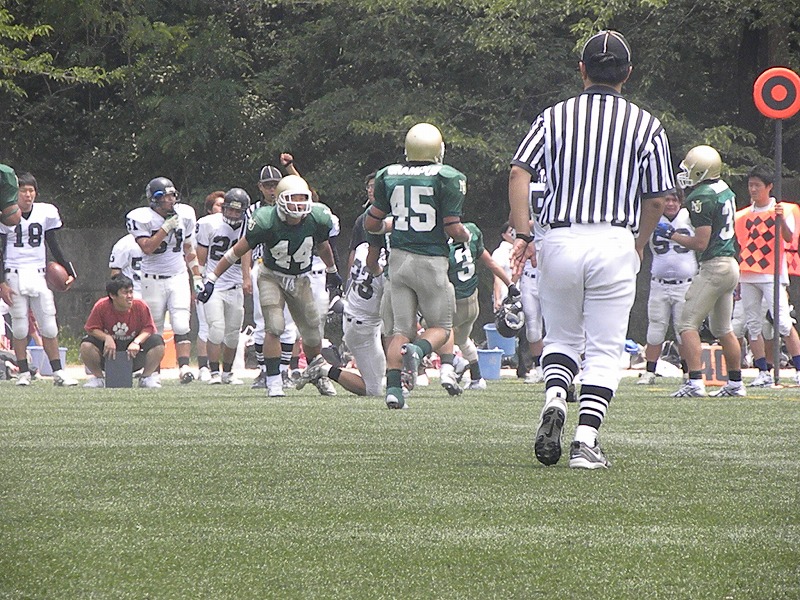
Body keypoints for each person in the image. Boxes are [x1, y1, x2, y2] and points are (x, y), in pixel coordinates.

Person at [508, 30, 674, 469]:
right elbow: (657, 199)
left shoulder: (554, 116)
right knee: (604, 349)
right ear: (628, 73)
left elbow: (519, 172)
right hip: (614, 239)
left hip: (560, 238)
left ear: (582, 70)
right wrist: (638, 244)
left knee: (561, 338)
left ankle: (555, 397)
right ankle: (585, 441)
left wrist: (524, 234)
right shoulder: (646, 124)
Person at [198, 174, 341, 398]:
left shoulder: (318, 217)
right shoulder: (266, 220)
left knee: (313, 331)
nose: (298, 204)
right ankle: (273, 379)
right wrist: (212, 278)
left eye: (302, 198)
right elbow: (237, 251)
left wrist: (332, 271)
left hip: (300, 277)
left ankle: (317, 374)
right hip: (271, 276)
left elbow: (323, 246)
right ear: (280, 200)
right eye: (293, 199)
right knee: (274, 326)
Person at [365, 122, 470, 409]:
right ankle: (418, 351)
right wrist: (465, 236)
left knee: (400, 330)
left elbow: (371, 224)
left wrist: (389, 226)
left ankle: (394, 390)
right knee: (442, 327)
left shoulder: (389, 174)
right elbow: (452, 228)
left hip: (398, 261)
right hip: (430, 261)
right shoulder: (447, 176)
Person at [665, 145, 743, 398]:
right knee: (723, 329)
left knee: (686, 324)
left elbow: (700, 243)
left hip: (714, 266)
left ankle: (695, 382)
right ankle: (735, 384)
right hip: (730, 265)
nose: (686, 173)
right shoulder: (724, 190)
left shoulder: (701, 196)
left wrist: (672, 235)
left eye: (690, 168)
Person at [0, 172, 79, 386]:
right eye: (23, 191)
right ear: (14, 193)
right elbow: (0, 251)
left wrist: (69, 269)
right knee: (19, 326)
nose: (28, 195)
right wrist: (2, 283)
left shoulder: (46, 212)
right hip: (14, 273)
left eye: (31, 190)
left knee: (49, 324)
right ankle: (24, 372)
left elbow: (53, 243)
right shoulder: (5, 216)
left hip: (38, 273)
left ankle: (58, 372)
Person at [126, 176, 200, 384]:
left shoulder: (185, 214)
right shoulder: (142, 218)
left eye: (172, 196)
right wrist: (165, 228)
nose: (170, 200)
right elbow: (148, 248)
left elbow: (188, 248)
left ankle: (184, 367)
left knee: (181, 322)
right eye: (165, 197)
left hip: (178, 275)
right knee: (155, 326)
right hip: (152, 278)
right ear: (154, 199)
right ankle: (153, 372)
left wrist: (197, 275)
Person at [295, 236, 388, 396]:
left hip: (358, 317)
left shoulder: (362, 249)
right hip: (363, 327)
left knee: (379, 380)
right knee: (373, 390)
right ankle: (323, 368)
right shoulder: (385, 270)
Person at [734, 166, 800, 386]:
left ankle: (798, 367)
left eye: (757, 185)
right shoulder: (742, 216)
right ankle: (763, 371)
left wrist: (780, 220)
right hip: (748, 273)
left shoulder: (781, 210)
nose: (753, 189)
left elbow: (789, 238)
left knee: (783, 322)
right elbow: (742, 244)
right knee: (753, 324)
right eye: (750, 185)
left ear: (769, 187)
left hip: (772, 273)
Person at [441, 222, 514, 393]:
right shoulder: (472, 231)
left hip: (454, 302)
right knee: (461, 339)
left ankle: (454, 362)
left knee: (430, 330)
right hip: (472, 302)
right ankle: (477, 377)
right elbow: (491, 263)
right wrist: (510, 285)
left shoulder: (439, 241)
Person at [637, 190, 697, 384]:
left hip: (685, 284)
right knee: (655, 329)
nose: (670, 204)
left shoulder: (690, 217)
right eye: (667, 200)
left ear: (681, 201)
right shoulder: (652, 217)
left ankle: (688, 371)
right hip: (659, 283)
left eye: (674, 200)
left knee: (684, 330)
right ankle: (650, 372)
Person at [195, 188, 250, 385]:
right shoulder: (208, 223)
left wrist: (246, 277)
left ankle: (227, 372)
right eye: (230, 210)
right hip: (214, 284)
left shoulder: (248, 225)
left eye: (237, 211)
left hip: (234, 285)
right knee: (216, 329)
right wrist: (199, 280)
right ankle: (214, 372)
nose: (233, 214)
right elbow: (201, 255)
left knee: (233, 334)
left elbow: (246, 250)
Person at [80, 275, 165, 388]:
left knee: (158, 342)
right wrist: (107, 338)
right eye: (125, 293)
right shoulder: (101, 306)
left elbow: (149, 328)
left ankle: (146, 377)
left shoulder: (140, 306)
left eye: (131, 292)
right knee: (86, 345)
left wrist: (136, 342)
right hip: (108, 353)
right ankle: (99, 378)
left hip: (134, 353)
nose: (129, 296)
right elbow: (91, 328)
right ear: (112, 295)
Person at [195, 190, 226, 382]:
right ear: (209, 209)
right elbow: (196, 256)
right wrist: (196, 281)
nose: (223, 209)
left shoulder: (235, 225)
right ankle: (204, 367)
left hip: (229, 282)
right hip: (208, 279)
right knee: (206, 326)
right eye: (219, 205)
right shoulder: (205, 225)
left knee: (225, 329)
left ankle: (224, 368)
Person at [109, 233, 144, 298]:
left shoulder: (161, 238)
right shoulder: (124, 243)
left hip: (157, 288)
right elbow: (115, 274)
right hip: (134, 292)